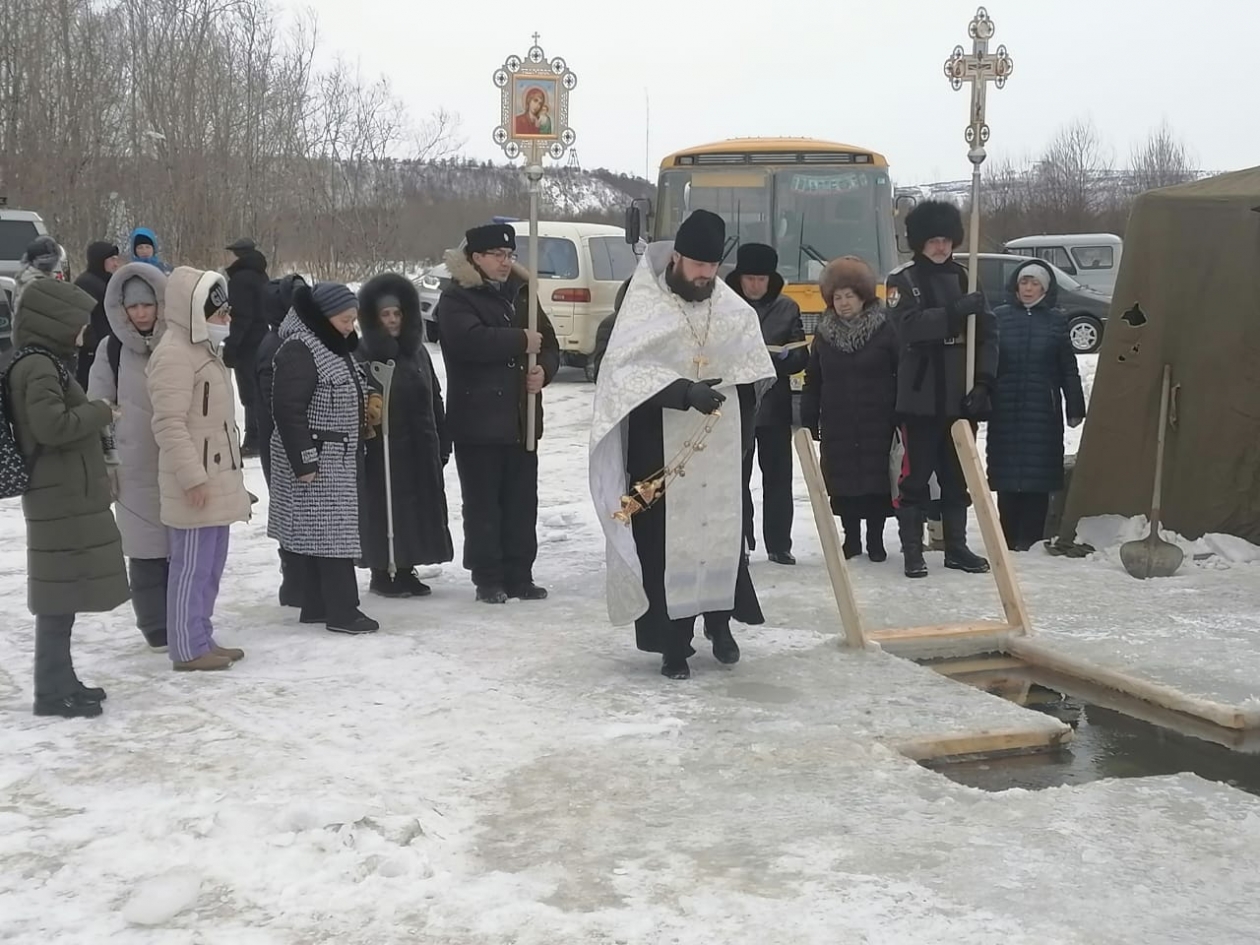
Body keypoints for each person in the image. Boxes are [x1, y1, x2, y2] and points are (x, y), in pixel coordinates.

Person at [590, 209, 775, 680]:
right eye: (698, 266)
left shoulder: (732, 307)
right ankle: (674, 644)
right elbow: (622, 374)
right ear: (676, 258)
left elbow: (754, 367)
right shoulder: (643, 304)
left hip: (718, 448)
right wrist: (681, 391)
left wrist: (739, 389)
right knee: (666, 549)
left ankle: (719, 625)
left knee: (721, 540)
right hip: (660, 451)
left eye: (713, 268)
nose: (705, 276)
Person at [6, 277, 129, 717]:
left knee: (63, 595)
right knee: (57, 598)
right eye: (78, 323)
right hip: (56, 493)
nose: (84, 331)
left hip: (61, 491)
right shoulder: (37, 366)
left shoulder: (42, 362)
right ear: (56, 323)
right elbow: (50, 427)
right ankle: (51, 691)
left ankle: (61, 681)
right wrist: (100, 410)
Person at [436, 223, 560, 604]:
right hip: (478, 421)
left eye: (509, 256)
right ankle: (488, 577)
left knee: (522, 502)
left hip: (521, 420)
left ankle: (520, 573)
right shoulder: (457, 298)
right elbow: (468, 341)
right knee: (484, 504)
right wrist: (521, 340)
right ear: (476, 258)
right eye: (497, 256)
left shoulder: (522, 294)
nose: (505, 263)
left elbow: (550, 344)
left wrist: (545, 371)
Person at [885, 200, 998, 580]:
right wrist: (952, 314)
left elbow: (987, 336)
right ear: (919, 242)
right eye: (932, 240)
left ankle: (956, 547)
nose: (940, 247)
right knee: (915, 478)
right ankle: (913, 551)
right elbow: (907, 328)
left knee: (958, 475)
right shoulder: (903, 280)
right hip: (920, 396)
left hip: (960, 394)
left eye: (946, 240)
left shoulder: (969, 276)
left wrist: (983, 382)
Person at [148, 268, 251, 671]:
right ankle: (187, 648)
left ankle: (201, 636)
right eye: (218, 312)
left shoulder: (202, 350)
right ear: (194, 310)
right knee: (190, 570)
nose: (225, 320)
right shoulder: (174, 354)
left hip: (218, 480)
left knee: (209, 568)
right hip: (195, 483)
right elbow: (168, 424)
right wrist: (192, 477)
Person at [268, 281, 378, 634]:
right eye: (346, 320)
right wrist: (304, 461)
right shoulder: (299, 349)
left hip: (337, 455)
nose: (351, 327)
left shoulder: (332, 346)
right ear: (324, 316)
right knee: (333, 538)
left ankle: (316, 604)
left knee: (322, 535)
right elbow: (287, 409)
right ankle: (343, 611)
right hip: (316, 456)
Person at [87, 262, 170, 651]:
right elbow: (98, 407)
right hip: (134, 467)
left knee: (182, 549)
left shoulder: (177, 342)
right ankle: (154, 623)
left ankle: (184, 614)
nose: (140, 313)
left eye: (147, 305)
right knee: (145, 550)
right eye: (133, 307)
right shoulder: (112, 348)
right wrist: (108, 463)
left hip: (175, 461)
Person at [355, 273, 454, 597]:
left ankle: (408, 565)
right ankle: (382, 570)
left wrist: (441, 437)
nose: (393, 320)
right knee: (386, 508)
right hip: (384, 448)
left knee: (417, 507)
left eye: (397, 314)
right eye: (386, 315)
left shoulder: (417, 353)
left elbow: (434, 394)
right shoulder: (364, 354)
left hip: (419, 443)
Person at [801, 256, 899, 561]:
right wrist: (808, 416)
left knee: (876, 479)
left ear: (863, 296)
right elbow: (813, 378)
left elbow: (901, 371)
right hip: (838, 419)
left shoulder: (886, 329)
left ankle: (875, 539)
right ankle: (852, 538)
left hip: (878, 418)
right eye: (837, 297)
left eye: (849, 296)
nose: (843, 303)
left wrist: (900, 412)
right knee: (842, 481)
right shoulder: (824, 334)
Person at [987, 259, 1087, 551]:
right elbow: (986, 362)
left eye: (1035, 284)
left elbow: (1068, 367)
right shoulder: (1000, 317)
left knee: (1037, 477)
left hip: (1043, 409)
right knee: (1006, 476)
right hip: (1005, 408)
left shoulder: (1056, 320)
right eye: (1024, 283)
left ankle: (1031, 541)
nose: (1028, 289)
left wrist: (1074, 406)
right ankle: (1006, 540)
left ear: (1045, 288)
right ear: (1015, 286)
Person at [725, 243, 807, 565]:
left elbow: (802, 354)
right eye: (750, 278)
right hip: (735, 406)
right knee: (735, 480)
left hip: (775, 406)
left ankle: (779, 544)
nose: (756, 285)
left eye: (761, 278)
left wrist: (781, 359)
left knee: (778, 479)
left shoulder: (787, 308)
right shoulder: (725, 305)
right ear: (740, 278)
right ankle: (739, 541)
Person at [256, 272, 307, 607]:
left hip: (286, 444)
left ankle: (300, 582)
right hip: (283, 446)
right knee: (295, 516)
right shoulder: (277, 348)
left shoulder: (286, 342)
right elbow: (281, 406)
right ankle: (297, 583)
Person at [222, 237, 270, 456]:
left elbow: (240, 316)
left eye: (229, 254)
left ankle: (254, 439)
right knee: (259, 391)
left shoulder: (240, 280)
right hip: (263, 339)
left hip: (247, 343)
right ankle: (261, 436)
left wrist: (231, 345)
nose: (226, 258)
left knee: (250, 394)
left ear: (238, 255)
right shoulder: (260, 274)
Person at [73, 241, 122, 389]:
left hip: (106, 345)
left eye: (116, 259)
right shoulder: (87, 284)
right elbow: (82, 319)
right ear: (100, 261)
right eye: (111, 259)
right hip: (92, 352)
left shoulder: (105, 281)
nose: (116, 264)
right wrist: (91, 345)